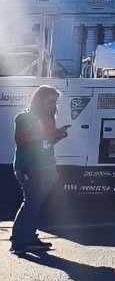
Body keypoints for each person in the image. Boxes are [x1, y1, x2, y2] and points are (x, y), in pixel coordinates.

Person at [11, 85, 69, 255]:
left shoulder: (49, 119)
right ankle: (19, 241)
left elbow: (46, 143)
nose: (53, 105)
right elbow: (20, 140)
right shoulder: (24, 117)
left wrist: (57, 136)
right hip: (29, 164)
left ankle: (28, 237)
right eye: (50, 101)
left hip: (46, 164)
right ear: (40, 99)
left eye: (55, 102)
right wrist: (46, 135)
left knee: (35, 202)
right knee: (32, 201)